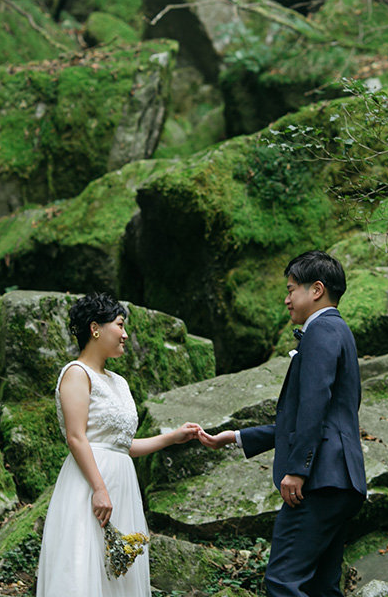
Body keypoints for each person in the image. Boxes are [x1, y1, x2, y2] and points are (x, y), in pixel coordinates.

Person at [199, 250, 366, 597]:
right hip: (342, 480)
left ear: (316, 289)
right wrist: (237, 437)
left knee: (282, 582)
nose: (286, 298)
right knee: (322, 586)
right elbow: (323, 417)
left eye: (291, 289)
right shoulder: (340, 331)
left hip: (319, 480)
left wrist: (299, 469)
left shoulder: (320, 330)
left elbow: (314, 405)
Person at [35, 293, 201, 597]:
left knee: (117, 570)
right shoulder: (76, 373)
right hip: (89, 483)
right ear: (95, 328)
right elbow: (76, 437)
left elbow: (123, 445)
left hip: (122, 482)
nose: (125, 334)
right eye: (120, 325)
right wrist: (99, 489)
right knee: (83, 562)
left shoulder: (118, 381)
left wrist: (172, 437)